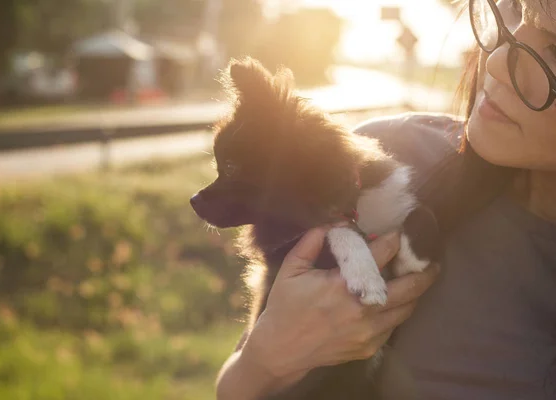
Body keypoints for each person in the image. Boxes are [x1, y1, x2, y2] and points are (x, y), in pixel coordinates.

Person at [216, 0, 556, 399]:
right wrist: (268, 358)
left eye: (554, 49)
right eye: (513, 8)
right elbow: (233, 389)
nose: (499, 60)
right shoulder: (381, 162)